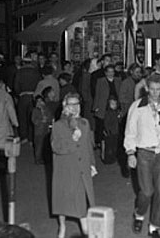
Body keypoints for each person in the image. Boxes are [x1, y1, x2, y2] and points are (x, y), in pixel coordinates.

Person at [124, 74, 160, 238]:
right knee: (147, 191)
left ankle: (154, 227)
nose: (155, 93)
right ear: (146, 89)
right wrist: (130, 153)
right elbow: (130, 132)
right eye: (152, 89)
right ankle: (139, 213)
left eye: (158, 89)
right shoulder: (137, 107)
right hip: (144, 153)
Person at [51, 92, 97, 238]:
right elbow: (56, 147)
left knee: (82, 201)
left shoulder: (84, 123)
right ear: (65, 106)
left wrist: (92, 164)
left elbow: (89, 146)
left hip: (82, 168)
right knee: (63, 201)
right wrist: (72, 139)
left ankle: (86, 232)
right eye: (71, 104)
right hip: (65, 169)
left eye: (77, 104)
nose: (75, 108)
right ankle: (62, 226)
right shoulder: (58, 125)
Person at [92, 64, 122, 146]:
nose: (110, 73)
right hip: (103, 105)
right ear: (105, 73)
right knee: (101, 124)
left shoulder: (118, 80)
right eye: (109, 72)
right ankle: (100, 142)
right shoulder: (100, 81)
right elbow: (97, 94)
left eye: (112, 72)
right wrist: (95, 106)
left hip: (115, 105)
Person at [14, 54, 41, 144]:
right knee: (31, 117)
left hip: (23, 96)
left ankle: (24, 136)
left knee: (22, 117)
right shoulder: (36, 72)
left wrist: (18, 94)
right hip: (33, 96)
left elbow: (16, 86)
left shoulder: (19, 72)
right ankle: (31, 137)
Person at [31, 87, 56, 165]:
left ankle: (43, 157)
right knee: (38, 145)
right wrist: (41, 121)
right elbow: (34, 120)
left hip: (45, 130)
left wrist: (48, 120)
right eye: (38, 102)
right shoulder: (35, 110)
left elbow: (50, 117)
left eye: (41, 101)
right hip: (38, 131)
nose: (40, 103)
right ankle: (38, 159)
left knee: (44, 145)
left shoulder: (46, 109)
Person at [101, 96, 122, 165]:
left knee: (114, 146)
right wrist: (107, 130)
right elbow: (106, 123)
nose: (114, 106)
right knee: (108, 146)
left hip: (115, 132)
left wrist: (119, 117)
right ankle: (107, 159)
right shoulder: (108, 113)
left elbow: (118, 121)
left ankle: (113, 157)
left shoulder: (116, 112)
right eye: (112, 104)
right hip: (109, 133)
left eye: (115, 104)